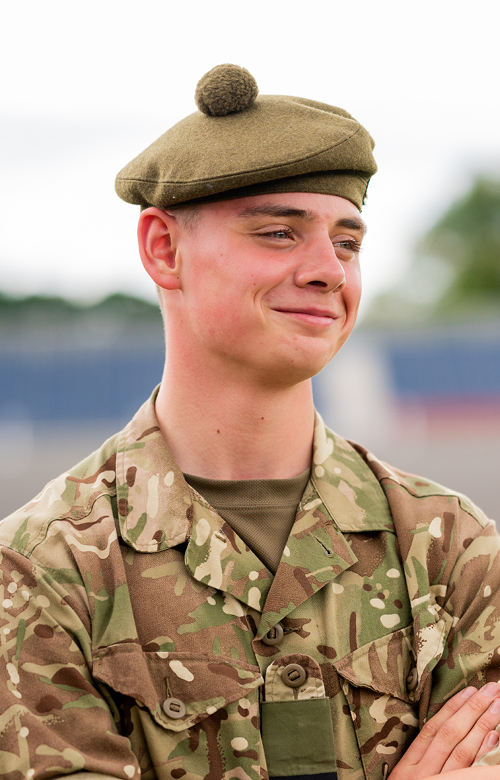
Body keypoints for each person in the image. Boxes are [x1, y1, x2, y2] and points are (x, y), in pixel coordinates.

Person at [1, 64, 500, 780]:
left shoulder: (452, 550)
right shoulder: (43, 570)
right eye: (278, 234)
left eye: (349, 243)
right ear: (163, 249)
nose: (329, 269)